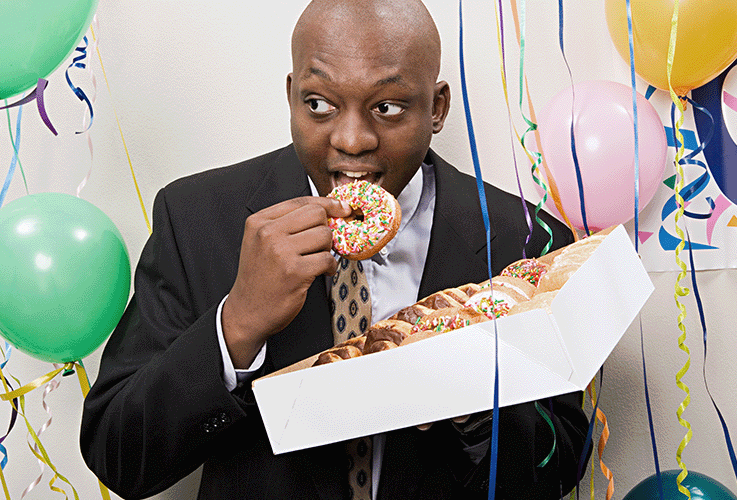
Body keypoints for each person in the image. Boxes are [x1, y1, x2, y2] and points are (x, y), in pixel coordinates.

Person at [80, 1, 590, 498]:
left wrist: (471, 394)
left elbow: (559, 467)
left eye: (387, 107)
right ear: (291, 96)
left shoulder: (529, 241)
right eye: (319, 104)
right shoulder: (197, 217)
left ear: (435, 108)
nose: (351, 140)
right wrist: (237, 324)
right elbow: (118, 458)